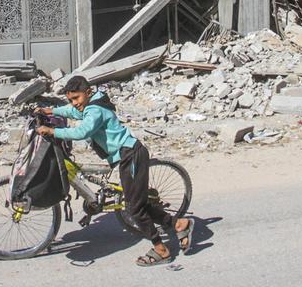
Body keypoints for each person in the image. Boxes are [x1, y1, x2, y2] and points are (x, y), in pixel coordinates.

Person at [36, 75, 194, 267]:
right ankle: (179, 224)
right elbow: (72, 111)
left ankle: (161, 249)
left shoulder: (95, 110)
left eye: (76, 98)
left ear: (88, 93)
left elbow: (81, 132)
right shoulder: (89, 105)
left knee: (134, 209)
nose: (74, 103)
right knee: (138, 204)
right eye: (70, 99)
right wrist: (51, 110)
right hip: (125, 156)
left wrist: (54, 131)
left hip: (131, 155)